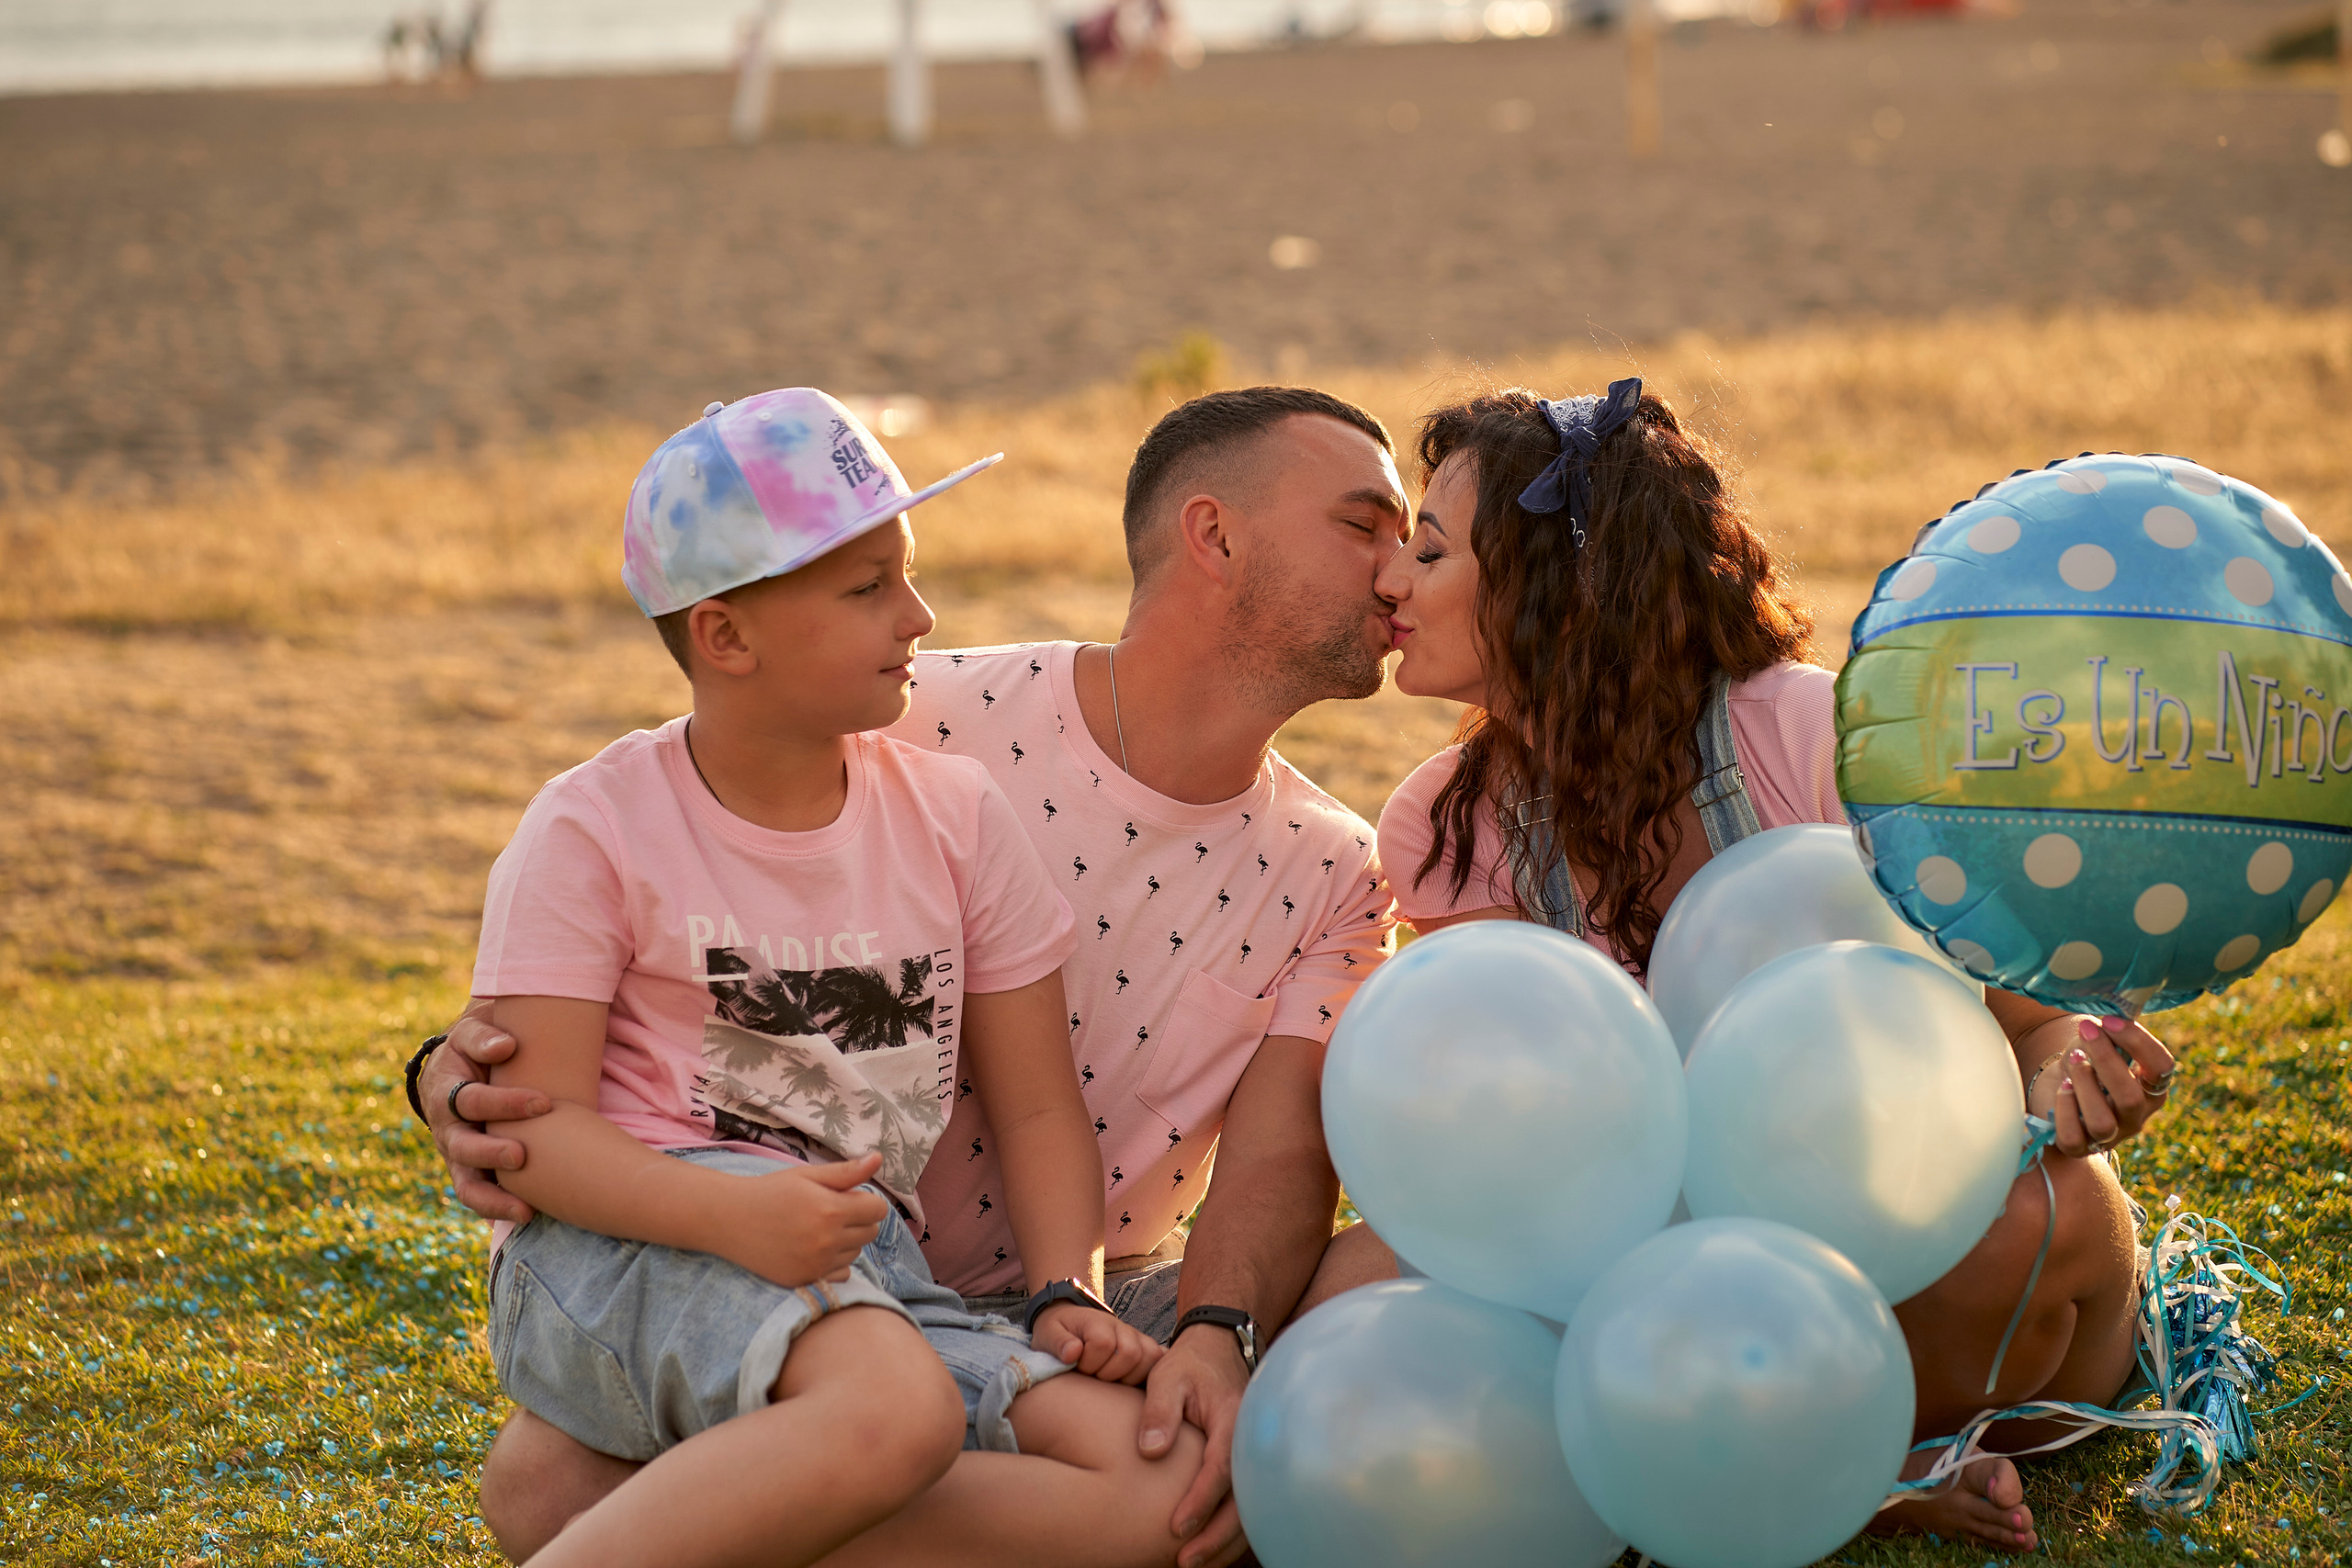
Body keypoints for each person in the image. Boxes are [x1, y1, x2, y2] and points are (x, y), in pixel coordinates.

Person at [417, 385, 1412, 1568]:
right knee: (548, 1480)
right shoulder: (917, 716)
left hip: (1054, 1299)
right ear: (1215, 535)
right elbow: (673, 873)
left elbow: (1272, 1156)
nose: (1403, 572)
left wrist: (1203, 1332)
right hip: (772, 1266)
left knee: (1334, 1338)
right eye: (1367, 527)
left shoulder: (1342, 865)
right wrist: (446, 1070)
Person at [1355, 380, 2178, 1554]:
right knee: (1368, 1289)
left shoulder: (1797, 735)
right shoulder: (1442, 825)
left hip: (1928, 1248)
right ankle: (1849, 1469)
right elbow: (1518, 1161)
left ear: (1559, 587)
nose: (1389, 579)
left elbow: (2040, 1026)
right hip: (1679, 1294)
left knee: (2019, 1221)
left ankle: (1861, 1455)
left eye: (1427, 552)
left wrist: (2074, 1083)